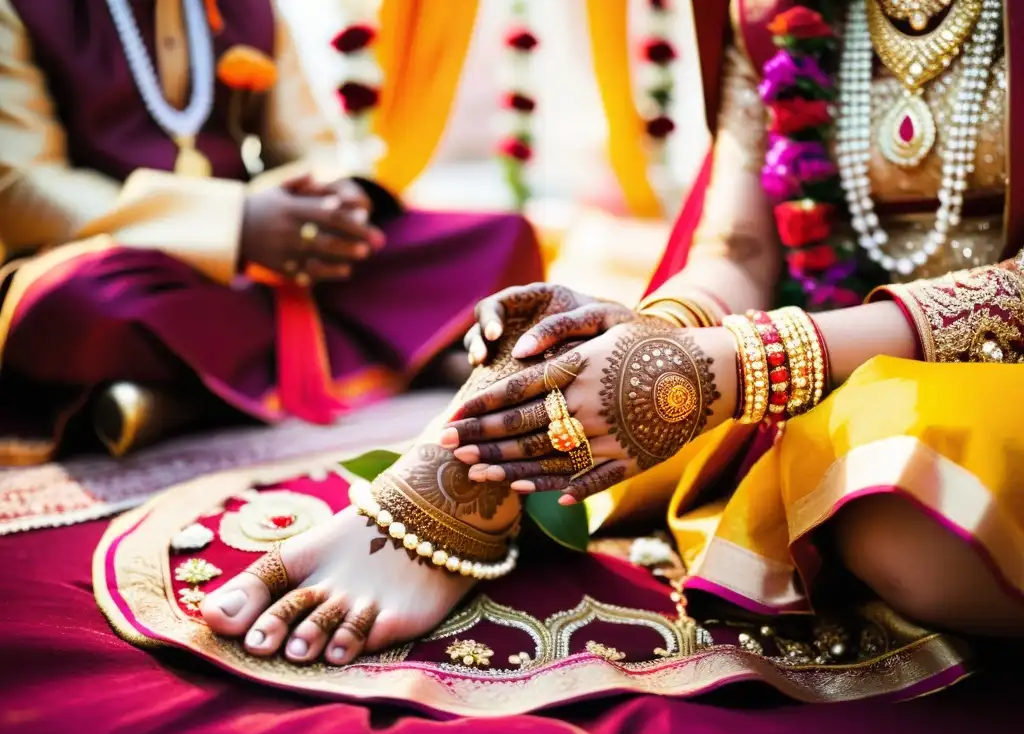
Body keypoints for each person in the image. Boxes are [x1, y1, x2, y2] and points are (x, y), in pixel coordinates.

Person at [199, 0, 1024, 667]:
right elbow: (735, 250)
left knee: (895, 481)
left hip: (964, 383)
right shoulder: (773, 13)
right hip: (830, 355)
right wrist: (647, 344)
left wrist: (744, 362)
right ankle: (446, 494)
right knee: (611, 403)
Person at [0, 0, 542, 465]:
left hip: (266, 263)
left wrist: (333, 199)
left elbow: (308, 144)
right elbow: (21, 186)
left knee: (499, 238)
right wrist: (232, 224)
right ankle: (403, 353)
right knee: (85, 306)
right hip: (122, 259)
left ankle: (184, 396)